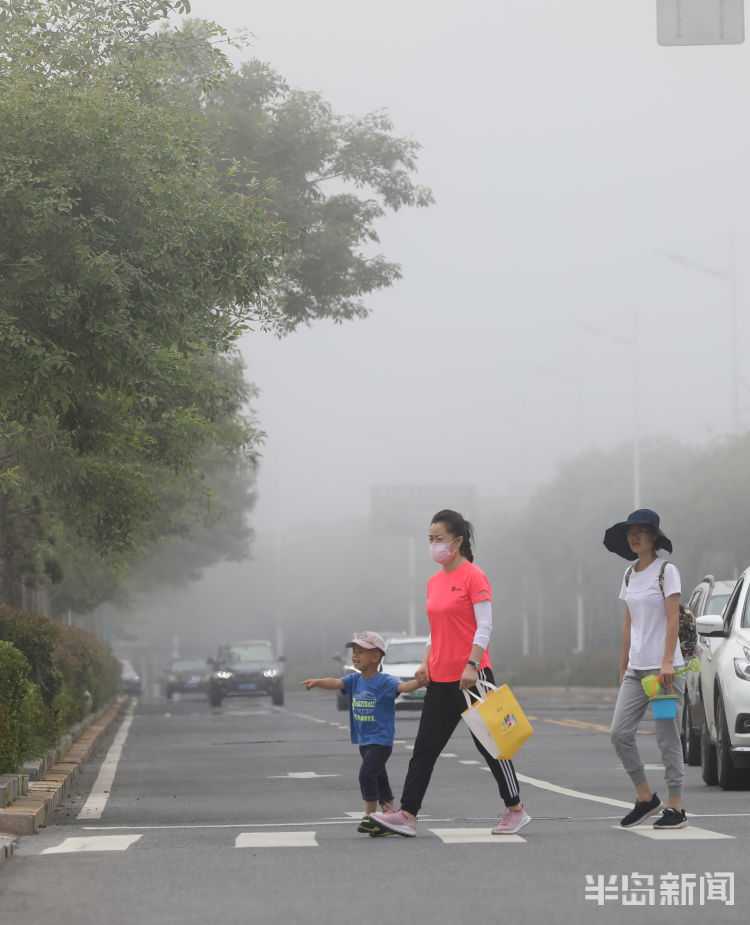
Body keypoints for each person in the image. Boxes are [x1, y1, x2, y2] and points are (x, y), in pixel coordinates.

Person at [369, 509, 530, 838]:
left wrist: (472, 665)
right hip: (440, 679)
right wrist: (425, 661)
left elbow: (484, 625)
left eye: (438, 539)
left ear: (457, 542)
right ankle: (408, 814)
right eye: (429, 539)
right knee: (424, 749)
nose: (433, 545)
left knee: (491, 745)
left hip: (473, 677)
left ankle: (516, 810)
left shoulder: (474, 576)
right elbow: (436, 630)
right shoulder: (433, 582)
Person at [603, 508, 688, 829]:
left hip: (663, 674)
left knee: (667, 738)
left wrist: (668, 661)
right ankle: (646, 798)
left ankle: (677, 808)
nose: (634, 536)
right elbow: (628, 623)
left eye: (641, 530)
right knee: (619, 734)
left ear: (654, 536)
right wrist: (624, 664)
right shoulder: (629, 574)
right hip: (637, 673)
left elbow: (672, 619)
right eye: (630, 532)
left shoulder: (667, 572)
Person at [300, 630, 424, 835]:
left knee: (366, 774)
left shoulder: (385, 681)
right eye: (354, 651)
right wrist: (318, 681)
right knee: (379, 776)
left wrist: (419, 682)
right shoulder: (354, 680)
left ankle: (370, 816)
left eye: (361, 651)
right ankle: (388, 814)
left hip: (381, 740)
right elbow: (336, 682)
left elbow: (404, 687)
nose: (355, 655)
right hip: (363, 739)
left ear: (376, 657)